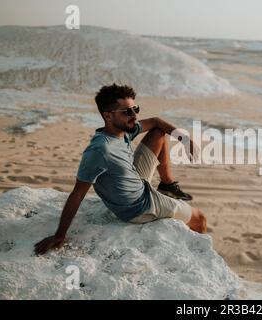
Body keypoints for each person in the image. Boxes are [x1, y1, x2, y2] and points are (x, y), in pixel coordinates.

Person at [34, 84, 207, 255]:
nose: (134, 116)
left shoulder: (122, 130)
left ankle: (167, 185)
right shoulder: (100, 151)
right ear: (108, 116)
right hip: (140, 206)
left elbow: (156, 121)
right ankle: (201, 260)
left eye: (135, 109)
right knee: (200, 219)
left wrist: (184, 139)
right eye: (127, 112)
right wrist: (59, 235)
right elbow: (77, 193)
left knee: (158, 133)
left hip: (136, 180)